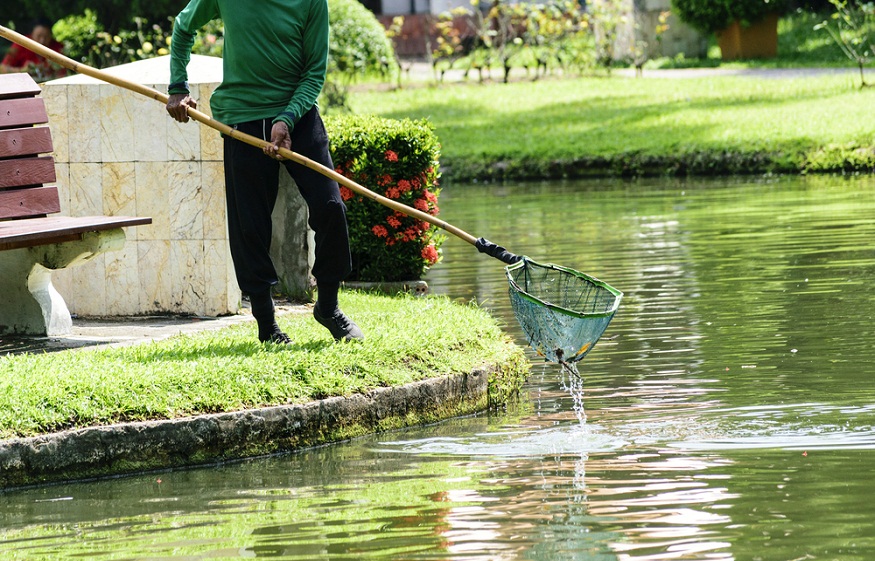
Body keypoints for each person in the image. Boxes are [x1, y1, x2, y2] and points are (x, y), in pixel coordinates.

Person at [165, 0, 363, 344]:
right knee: (249, 225)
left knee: (331, 207)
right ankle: (267, 326)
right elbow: (183, 27)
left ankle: (328, 307)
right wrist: (178, 87)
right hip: (242, 117)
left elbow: (314, 72)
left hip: (298, 114)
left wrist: (286, 119)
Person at [0, 18, 66, 80]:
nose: (42, 41)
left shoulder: (58, 47)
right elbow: (2, 68)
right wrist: (22, 70)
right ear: (32, 34)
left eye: (46, 37)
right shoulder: (21, 43)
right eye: (39, 36)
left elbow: (64, 74)